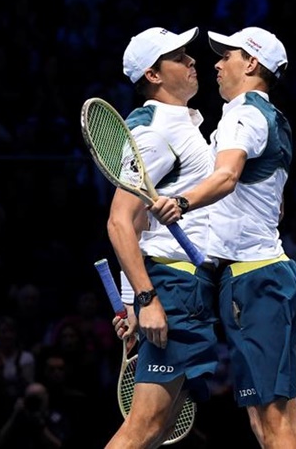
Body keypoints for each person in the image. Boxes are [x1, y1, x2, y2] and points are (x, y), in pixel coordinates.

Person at [150, 26, 296, 448]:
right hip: (265, 277)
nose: (217, 64)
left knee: (274, 423)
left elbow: (226, 176)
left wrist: (182, 203)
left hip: (256, 281)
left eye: (228, 56)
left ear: (252, 63)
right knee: (280, 421)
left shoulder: (243, 113)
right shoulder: (271, 115)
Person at [105, 26, 220, 448]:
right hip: (171, 289)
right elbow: (121, 221)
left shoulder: (183, 122)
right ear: (153, 74)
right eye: (179, 58)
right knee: (144, 429)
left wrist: (134, 301)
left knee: (159, 428)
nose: (192, 62)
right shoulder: (153, 132)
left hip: (188, 288)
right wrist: (144, 300)